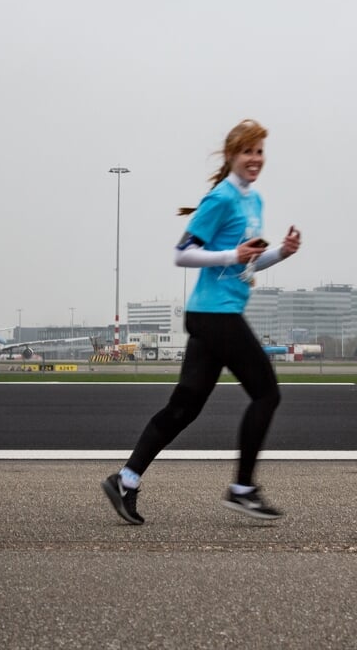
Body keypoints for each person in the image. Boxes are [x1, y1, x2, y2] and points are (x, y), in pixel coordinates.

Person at [102, 119, 302, 524]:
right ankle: (242, 488)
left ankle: (126, 479)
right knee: (267, 393)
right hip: (216, 314)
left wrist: (281, 252)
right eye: (248, 151)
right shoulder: (221, 198)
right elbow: (182, 253)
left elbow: (248, 258)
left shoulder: (253, 200)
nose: (255, 159)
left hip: (214, 314)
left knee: (184, 407)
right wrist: (231, 255)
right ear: (231, 155)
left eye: (260, 151)